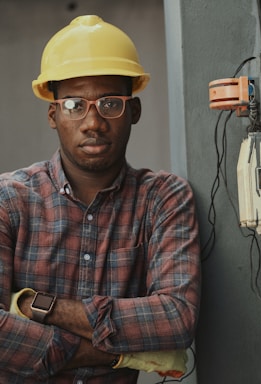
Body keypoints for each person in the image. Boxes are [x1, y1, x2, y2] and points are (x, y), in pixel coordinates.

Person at [0, 15, 201, 383]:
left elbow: (176, 318)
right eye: (75, 105)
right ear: (53, 114)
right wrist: (119, 356)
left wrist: (42, 307)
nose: (92, 123)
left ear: (134, 112)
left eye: (110, 104)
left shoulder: (162, 199)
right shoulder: (9, 200)